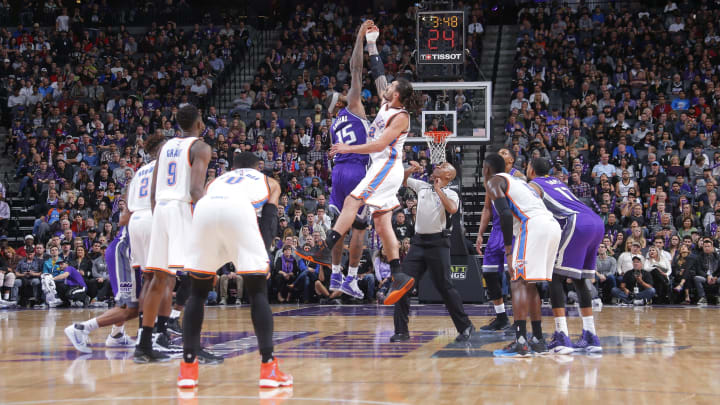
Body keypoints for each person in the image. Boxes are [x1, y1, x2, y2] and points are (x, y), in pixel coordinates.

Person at [299, 22, 423, 305]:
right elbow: (377, 72)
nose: (386, 85)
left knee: (353, 202)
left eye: (391, 86)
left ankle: (325, 249)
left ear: (397, 95)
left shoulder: (401, 116)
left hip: (386, 166)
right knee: (382, 225)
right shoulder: (385, 104)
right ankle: (398, 275)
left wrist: (347, 147)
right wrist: (371, 44)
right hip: (380, 168)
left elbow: (380, 146)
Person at [178, 152, 291, 389]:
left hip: (204, 209)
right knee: (257, 292)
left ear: (232, 167)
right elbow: (270, 216)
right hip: (240, 210)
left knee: (197, 293)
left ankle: (187, 369)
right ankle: (268, 368)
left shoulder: (216, 181)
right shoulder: (268, 181)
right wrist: (265, 253)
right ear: (257, 166)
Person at [135, 104, 212, 363]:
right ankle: (194, 347)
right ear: (199, 123)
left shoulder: (166, 146)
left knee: (159, 279)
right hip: (181, 210)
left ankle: (144, 345)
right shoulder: (200, 147)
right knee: (200, 278)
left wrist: (159, 217)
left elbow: (154, 192)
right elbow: (195, 191)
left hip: (161, 210)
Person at [313, 21, 375, 299]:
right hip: (356, 171)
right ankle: (350, 279)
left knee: (340, 223)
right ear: (341, 101)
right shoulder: (353, 106)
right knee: (359, 228)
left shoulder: (332, 123)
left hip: (337, 173)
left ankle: (336, 273)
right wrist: (359, 37)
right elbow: (356, 68)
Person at [483, 153, 561, 357]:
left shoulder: (494, 181)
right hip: (551, 225)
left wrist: (508, 250)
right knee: (529, 283)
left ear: (487, 169)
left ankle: (520, 341)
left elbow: (505, 215)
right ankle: (537, 339)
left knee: (517, 282)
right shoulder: (517, 182)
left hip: (533, 225)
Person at [390, 161, 475, 342]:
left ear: (447, 176)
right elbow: (403, 181)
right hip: (418, 242)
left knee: (445, 287)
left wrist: (438, 190)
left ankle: (465, 326)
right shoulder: (422, 186)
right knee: (403, 285)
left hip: (438, 243)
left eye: (443, 166)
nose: (438, 165)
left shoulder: (451, 192)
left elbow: (452, 208)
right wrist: (409, 171)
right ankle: (401, 331)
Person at [528, 157, 604, 354]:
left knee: (555, 277)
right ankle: (590, 335)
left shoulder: (533, 185)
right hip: (596, 222)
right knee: (579, 280)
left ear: (531, 169)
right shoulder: (558, 181)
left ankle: (562, 336)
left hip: (576, 222)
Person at [64, 212, 141, 353]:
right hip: (123, 254)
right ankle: (80, 329)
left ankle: (117, 334)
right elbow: (124, 217)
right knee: (130, 306)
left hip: (130, 255)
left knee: (134, 304)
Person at [475, 147, 525, 332]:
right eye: (500, 152)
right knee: (488, 273)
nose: (501, 154)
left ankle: (519, 321)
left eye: (505, 152)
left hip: (513, 228)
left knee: (512, 276)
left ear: (511, 160)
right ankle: (501, 317)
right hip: (496, 230)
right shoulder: (491, 179)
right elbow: (487, 208)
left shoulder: (518, 176)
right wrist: (480, 233)